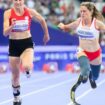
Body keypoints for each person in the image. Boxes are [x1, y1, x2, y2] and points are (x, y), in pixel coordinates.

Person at [3, 0, 50, 105]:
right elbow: (5, 33)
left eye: (20, 0)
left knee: (27, 66)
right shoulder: (8, 13)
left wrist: (46, 34)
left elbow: (42, 20)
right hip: (13, 45)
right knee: (15, 76)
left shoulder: (29, 11)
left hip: (26, 44)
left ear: (23, 1)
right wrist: (11, 26)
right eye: (15, 0)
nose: (18, 2)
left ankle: (28, 69)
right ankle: (17, 97)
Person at [58, 2, 105, 105]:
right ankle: (74, 88)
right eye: (81, 11)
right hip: (82, 51)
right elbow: (66, 27)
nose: (82, 13)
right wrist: (62, 26)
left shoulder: (97, 23)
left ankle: (92, 76)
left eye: (85, 11)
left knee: (96, 77)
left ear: (91, 11)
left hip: (95, 54)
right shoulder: (79, 21)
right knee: (84, 75)